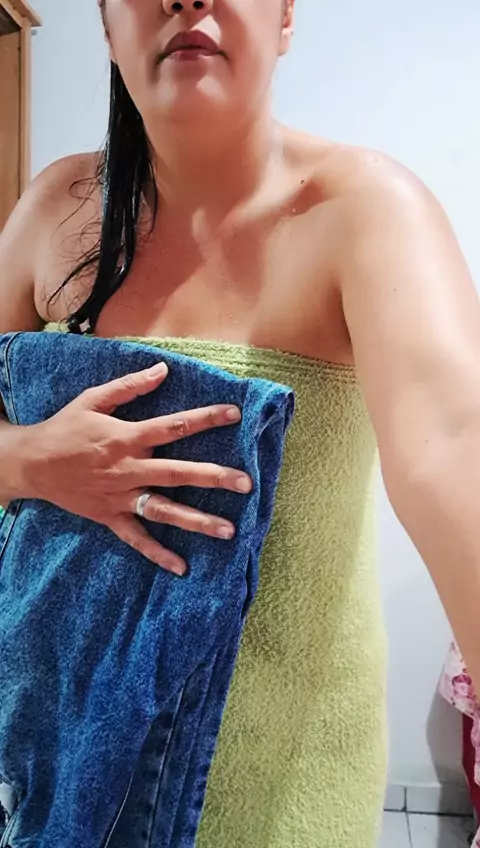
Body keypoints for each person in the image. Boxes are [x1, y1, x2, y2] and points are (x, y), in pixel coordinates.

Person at [1, 0, 480, 845]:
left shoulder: (367, 209)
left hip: (279, 782)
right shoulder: (54, 208)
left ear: (286, 17)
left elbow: (453, 445)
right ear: (108, 28)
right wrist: (28, 459)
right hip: (54, 759)